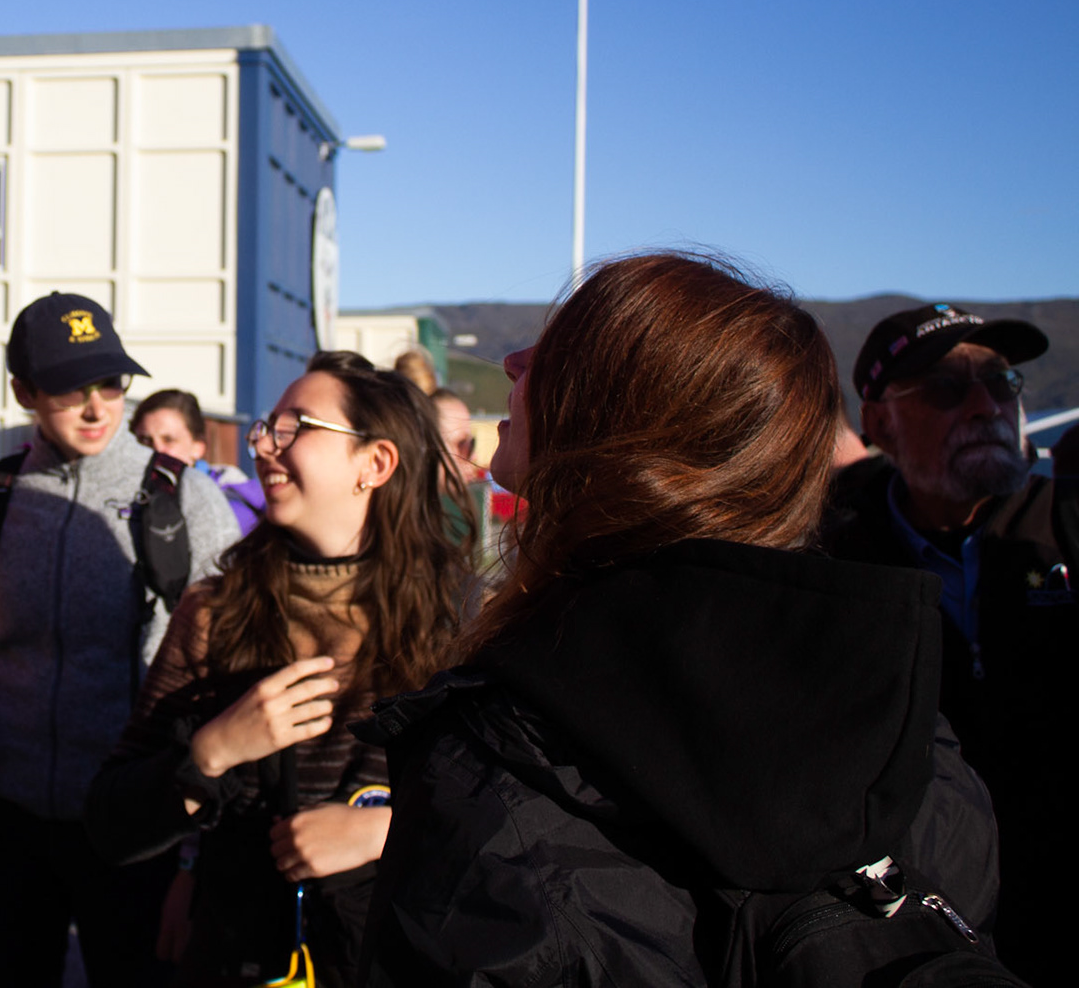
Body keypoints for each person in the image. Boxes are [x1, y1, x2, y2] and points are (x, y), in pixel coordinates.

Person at [359, 254, 1002, 986]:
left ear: (628, 427)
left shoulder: (499, 760)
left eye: (564, 349)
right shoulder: (910, 735)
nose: (514, 360)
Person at [87, 351, 474, 987]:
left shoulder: (461, 616)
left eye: (296, 427)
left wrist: (382, 830)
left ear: (374, 463)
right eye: (268, 427)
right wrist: (213, 751)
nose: (265, 445)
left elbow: (513, 812)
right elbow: (112, 823)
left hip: (399, 956)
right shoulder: (215, 611)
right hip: (240, 957)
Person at [0, 293, 240, 988]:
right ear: (25, 393)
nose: (97, 408)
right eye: (70, 388)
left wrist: (195, 849)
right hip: (4, 816)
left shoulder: (187, 499)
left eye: (111, 383)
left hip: (137, 820)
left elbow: (228, 678)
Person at [820, 302, 1075, 984]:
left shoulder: (1065, 527)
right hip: (916, 937)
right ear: (880, 424)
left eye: (1001, 383)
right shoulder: (833, 561)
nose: (986, 407)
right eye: (945, 388)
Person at [133, 387, 266, 535]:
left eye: (169, 440)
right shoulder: (130, 493)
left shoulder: (229, 508)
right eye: (145, 440)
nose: (156, 450)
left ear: (198, 448)